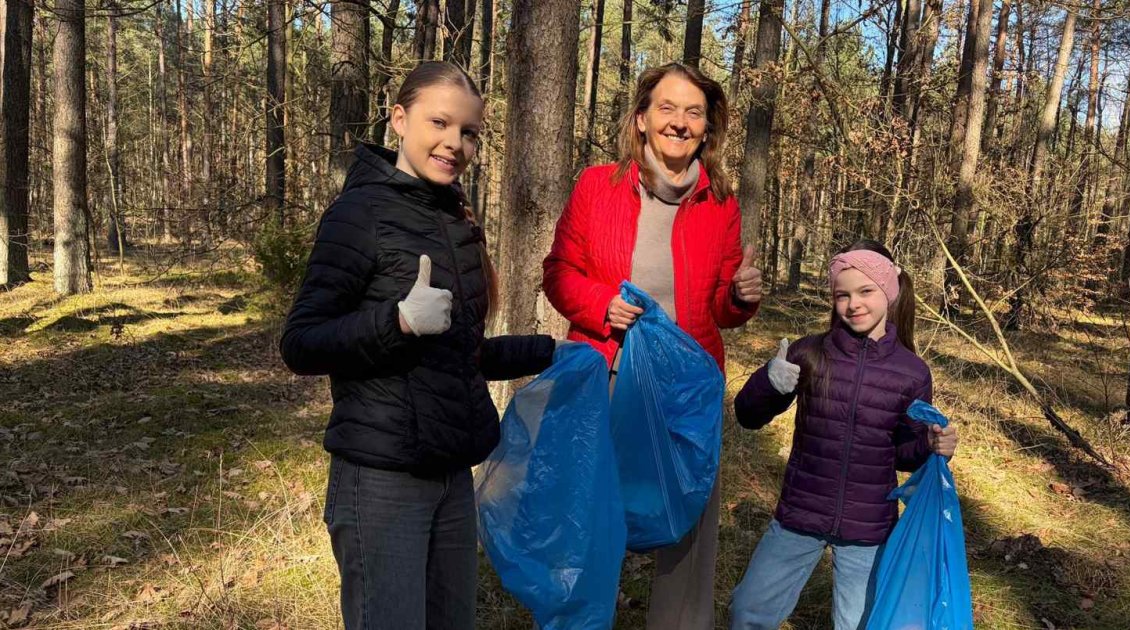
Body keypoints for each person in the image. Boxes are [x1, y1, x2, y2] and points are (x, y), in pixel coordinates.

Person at [280, 61, 559, 630]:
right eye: (440, 122)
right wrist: (397, 322)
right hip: (382, 478)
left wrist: (552, 353)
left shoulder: (453, 218)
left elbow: (462, 353)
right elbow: (300, 344)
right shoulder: (360, 215)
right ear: (400, 119)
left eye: (470, 132)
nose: (454, 143)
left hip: (451, 472)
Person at [542, 62, 762, 629]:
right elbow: (560, 271)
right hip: (607, 372)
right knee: (592, 512)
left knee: (689, 521)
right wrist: (599, 306)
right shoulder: (599, 185)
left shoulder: (722, 202)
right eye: (667, 108)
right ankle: (581, 618)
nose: (680, 123)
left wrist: (740, 297)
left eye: (694, 113)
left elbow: (721, 309)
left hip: (688, 387)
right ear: (641, 119)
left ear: (708, 129)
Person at [728, 240, 960, 630]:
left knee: (858, 625)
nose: (854, 304)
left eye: (866, 291)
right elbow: (747, 416)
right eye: (842, 295)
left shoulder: (912, 372)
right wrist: (769, 382)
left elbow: (903, 455)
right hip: (800, 514)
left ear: (889, 291)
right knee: (748, 612)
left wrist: (932, 446)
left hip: (867, 527)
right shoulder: (809, 353)